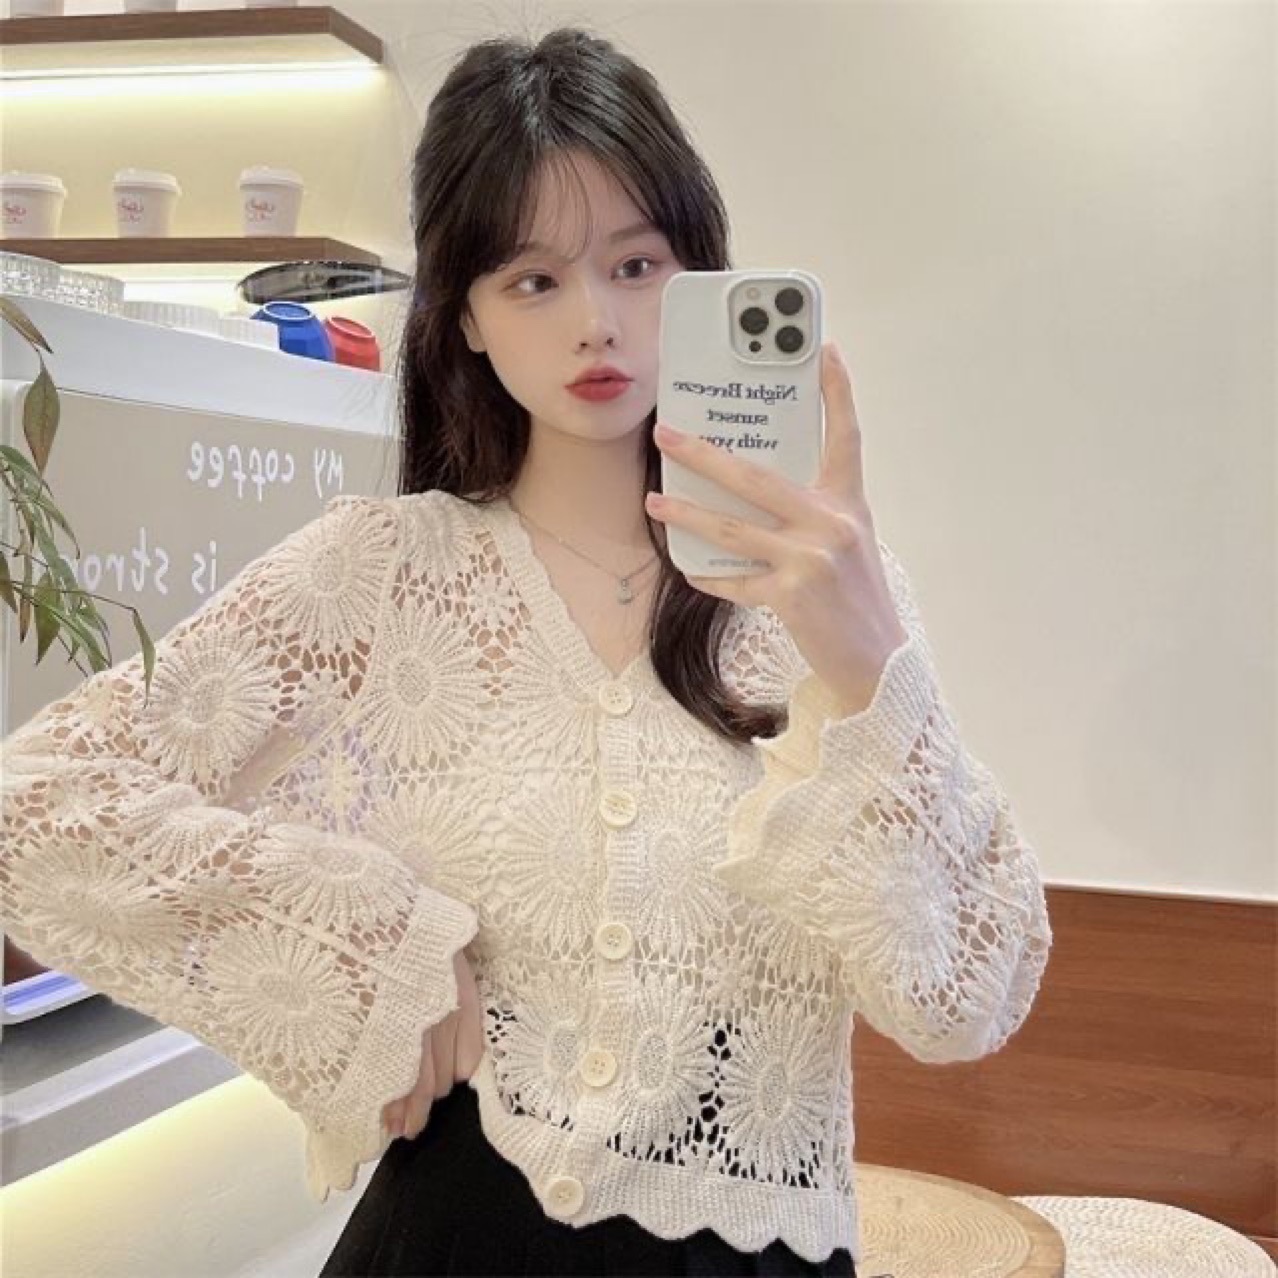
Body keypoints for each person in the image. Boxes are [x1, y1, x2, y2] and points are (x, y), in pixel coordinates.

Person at [0, 24, 1053, 1278]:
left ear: (701, 281)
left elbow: (964, 1001)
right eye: (533, 281)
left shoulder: (828, 602)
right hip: (456, 1240)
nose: (596, 323)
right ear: (466, 318)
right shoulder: (383, 575)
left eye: (637, 265)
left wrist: (871, 660)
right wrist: (371, 934)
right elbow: (35, 804)